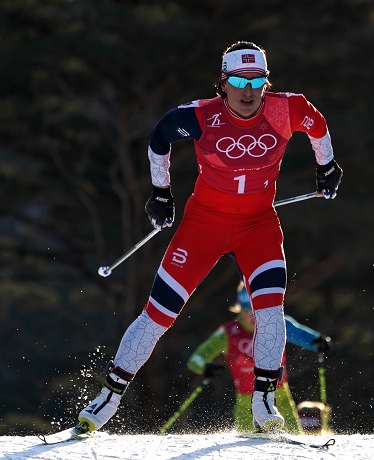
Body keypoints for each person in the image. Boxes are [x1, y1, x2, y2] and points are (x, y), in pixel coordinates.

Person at [76, 40, 342, 434]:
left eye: (257, 80)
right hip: (203, 227)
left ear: (267, 82)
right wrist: (160, 193)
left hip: (258, 226)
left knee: (270, 311)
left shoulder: (287, 109)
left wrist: (328, 166)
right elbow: (159, 136)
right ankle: (109, 396)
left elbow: (317, 125)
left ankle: (264, 399)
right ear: (223, 82)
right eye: (238, 80)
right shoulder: (201, 116)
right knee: (158, 315)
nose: (248, 90)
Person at [186, 281, 331, 434]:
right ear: (239, 308)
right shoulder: (228, 333)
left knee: (293, 434)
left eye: (258, 310)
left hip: (279, 395)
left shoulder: (276, 323)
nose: (252, 316)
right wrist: (205, 366)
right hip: (245, 401)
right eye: (247, 310)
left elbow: (302, 335)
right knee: (248, 443)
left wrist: (317, 341)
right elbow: (196, 358)